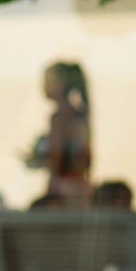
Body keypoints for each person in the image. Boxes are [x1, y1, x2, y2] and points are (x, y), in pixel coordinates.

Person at [26, 62, 92, 208]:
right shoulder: (79, 114)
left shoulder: (59, 117)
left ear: (60, 84)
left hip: (63, 189)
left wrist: (37, 159)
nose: (44, 86)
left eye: (48, 81)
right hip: (79, 187)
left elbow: (57, 157)